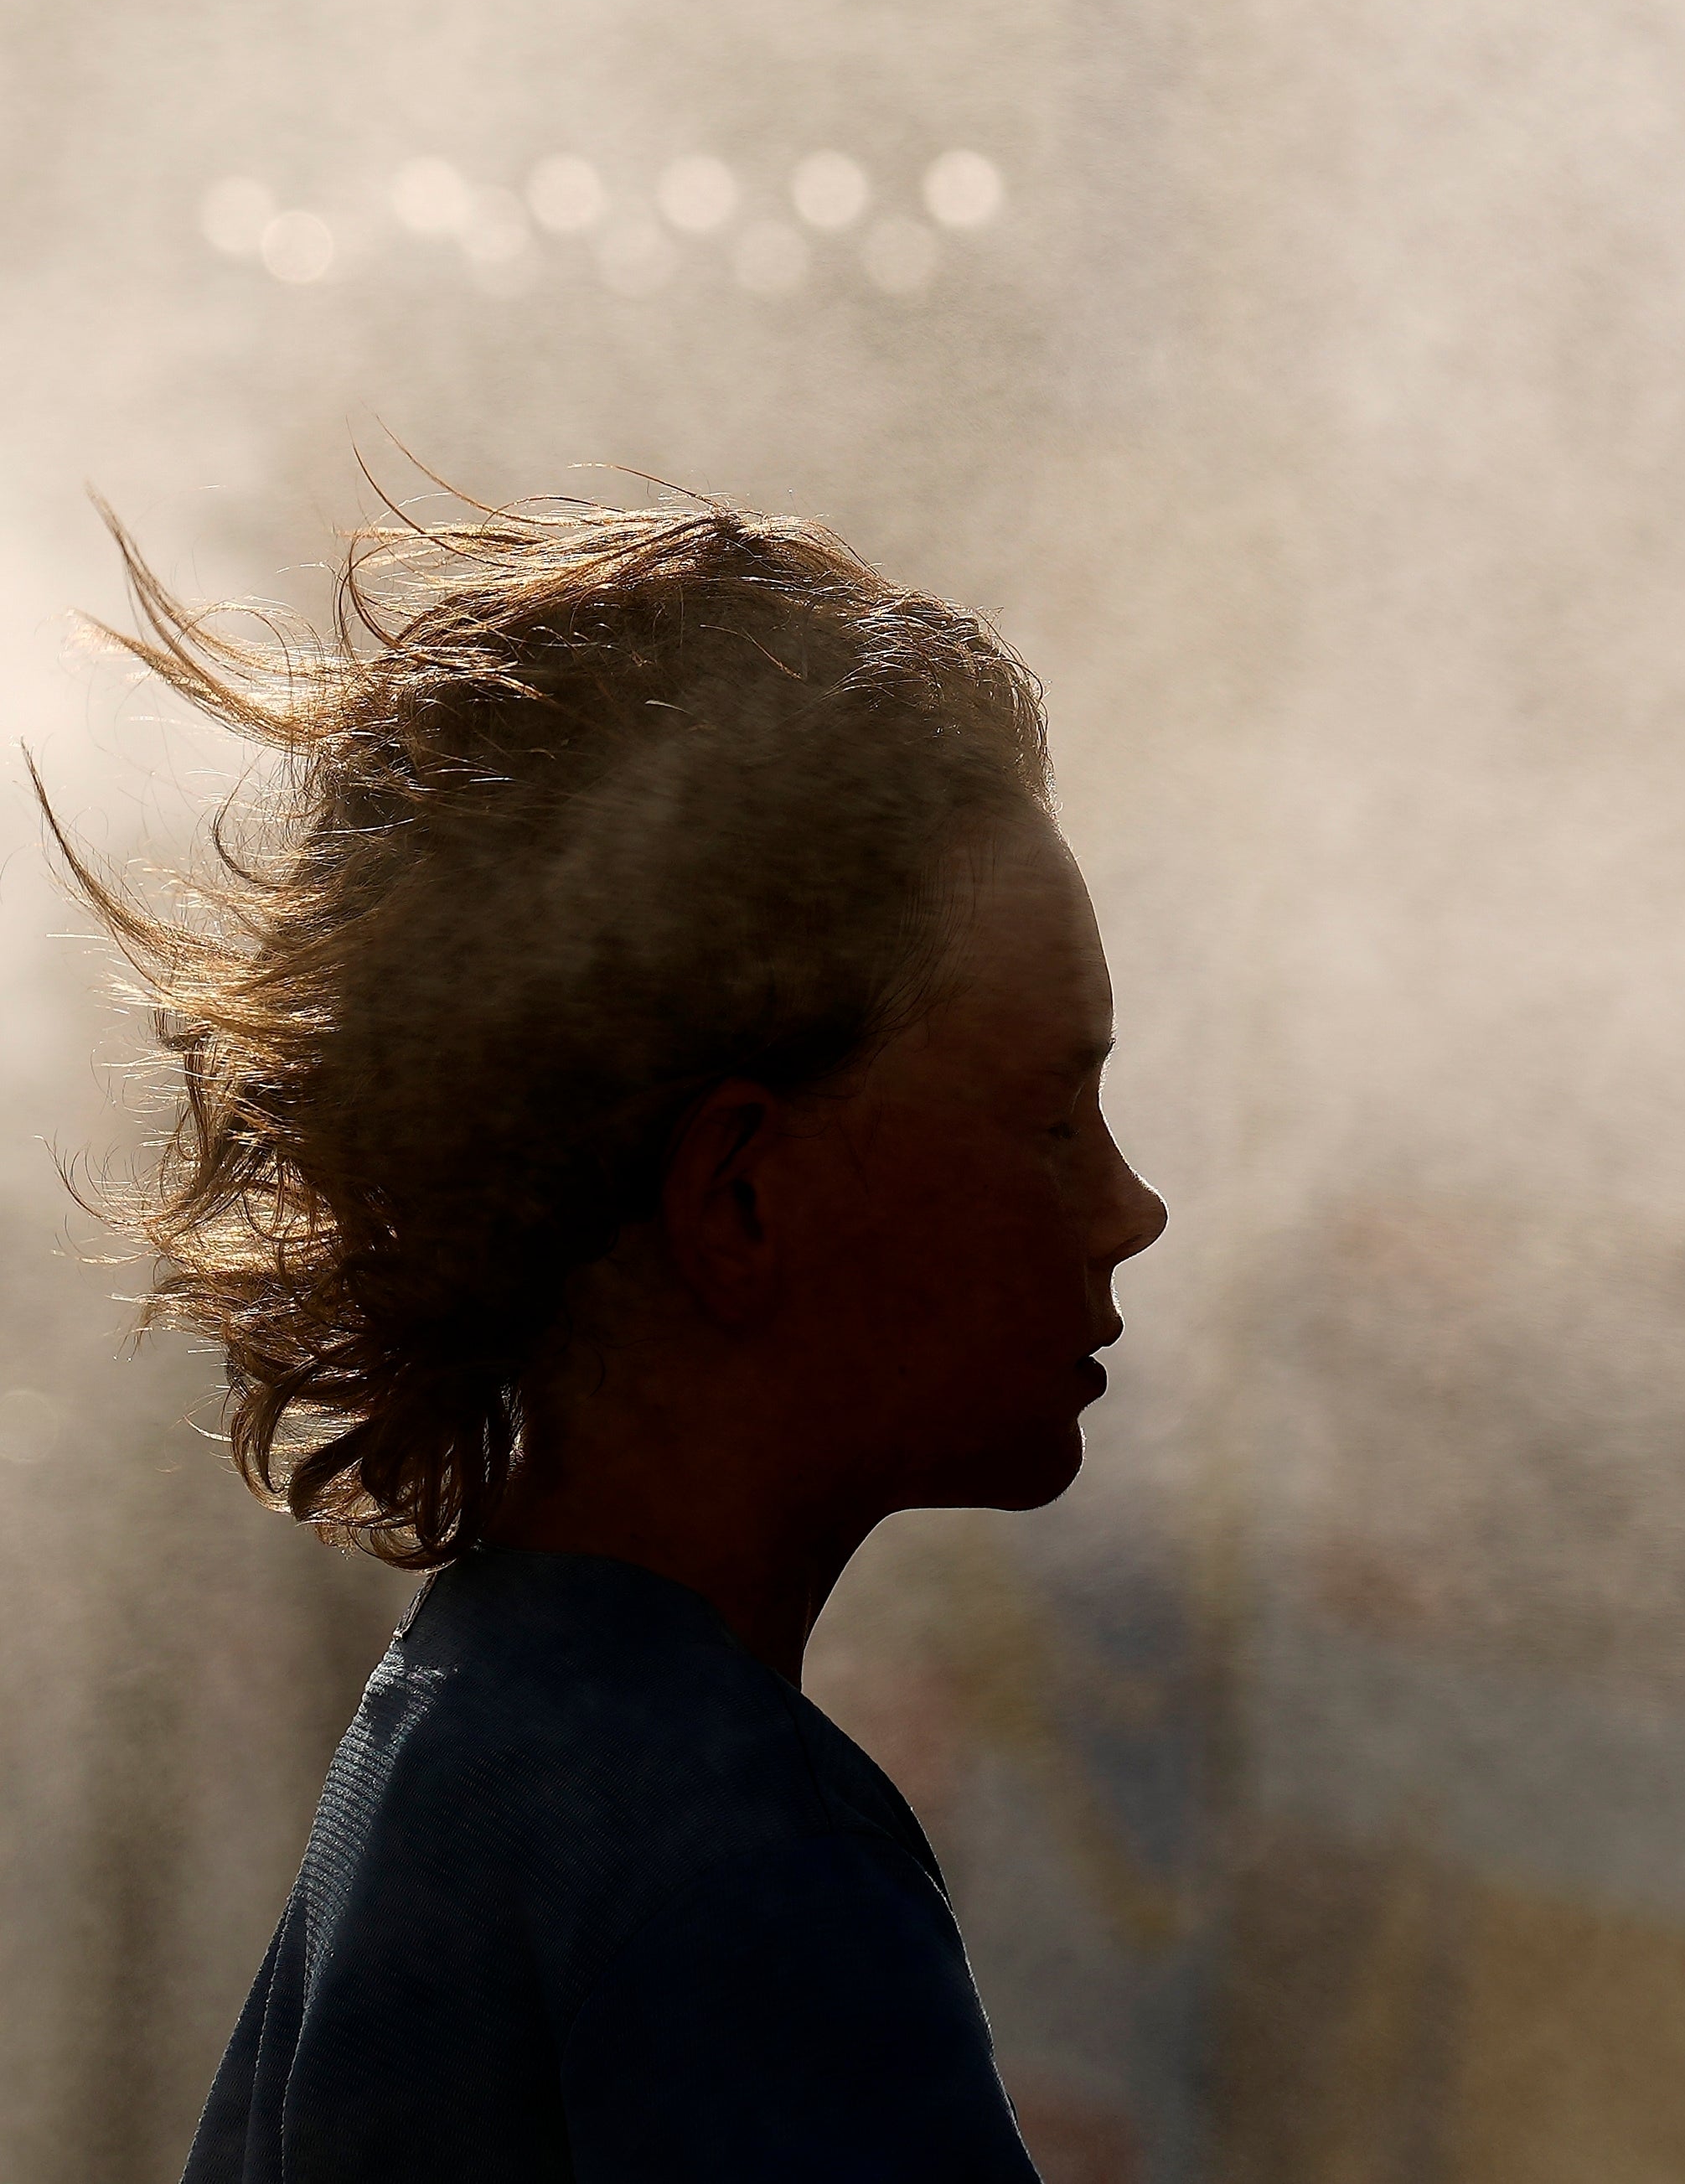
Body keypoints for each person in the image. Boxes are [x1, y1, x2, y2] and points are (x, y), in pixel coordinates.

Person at [50, 503, 1166, 2182]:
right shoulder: (722, 1853)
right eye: (1052, 1117)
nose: (1132, 1206)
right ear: (741, 1200)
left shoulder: (457, 1731)